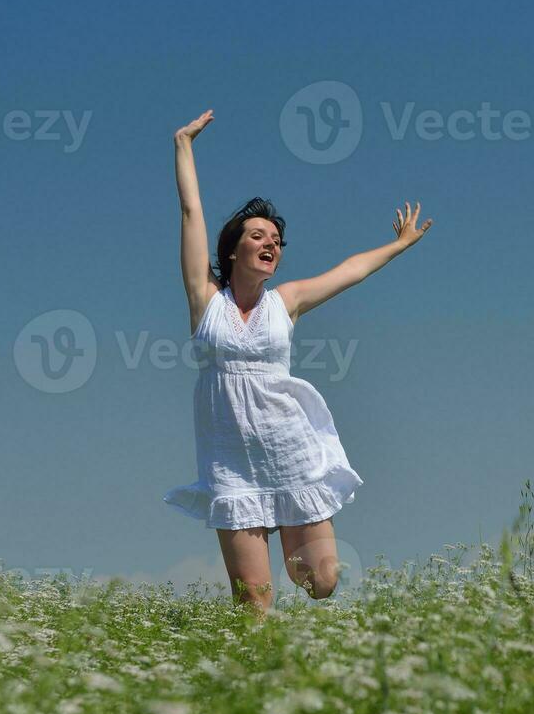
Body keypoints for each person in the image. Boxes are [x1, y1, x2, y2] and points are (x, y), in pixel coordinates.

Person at [163, 109, 434, 616]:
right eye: (258, 235)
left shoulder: (285, 302)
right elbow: (190, 213)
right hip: (230, 463)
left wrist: (397, 247)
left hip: (288, 449)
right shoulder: (206, 300)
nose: (271, 244)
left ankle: (293, 543)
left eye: (277, 240)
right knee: (254, 609)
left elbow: (347, 272)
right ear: (234, 248)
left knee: (323, 581)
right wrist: (183, 144)